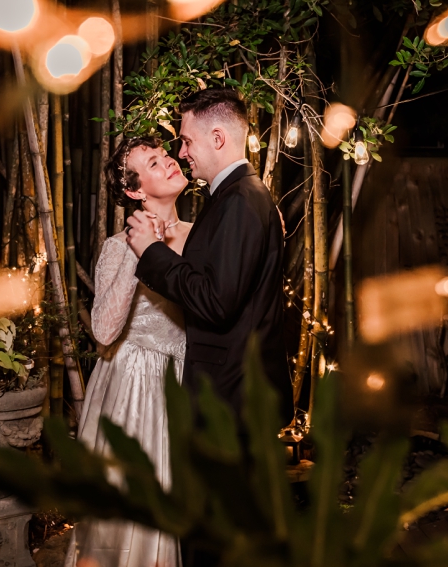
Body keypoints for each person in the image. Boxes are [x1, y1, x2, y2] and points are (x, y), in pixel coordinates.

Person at [125, 87, 294, 429]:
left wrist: (151, 251)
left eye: (187, 141)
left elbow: (217, 301)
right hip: (235, 392)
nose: (181, 152)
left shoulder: (240, 202)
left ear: (217, 138)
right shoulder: (238, 198)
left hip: (233, 397)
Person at [64, 136, 191, 567]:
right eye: (154, 163)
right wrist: (144, 253)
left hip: (186, 381)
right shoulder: (117, 246)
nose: (169, 162)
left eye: (166, 155)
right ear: (135, 191)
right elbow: (102, 330)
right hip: (132, 389)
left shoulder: (201, 237)